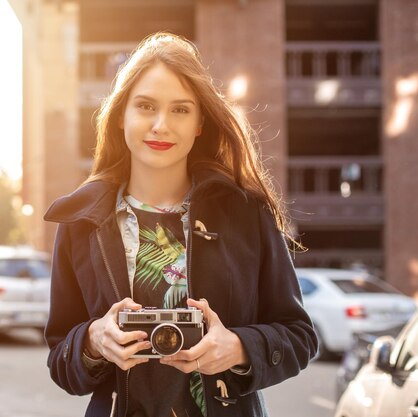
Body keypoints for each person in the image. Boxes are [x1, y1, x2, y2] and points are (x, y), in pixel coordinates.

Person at [43, 32, 317, 417]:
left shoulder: (246, 213)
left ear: (200, 123)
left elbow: (299, 336)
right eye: (145, 106)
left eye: (180, 110)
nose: (161, 125)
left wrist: (237, 348)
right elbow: (61, 360)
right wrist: (92, 341)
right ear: (122, 115)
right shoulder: (81, 221)